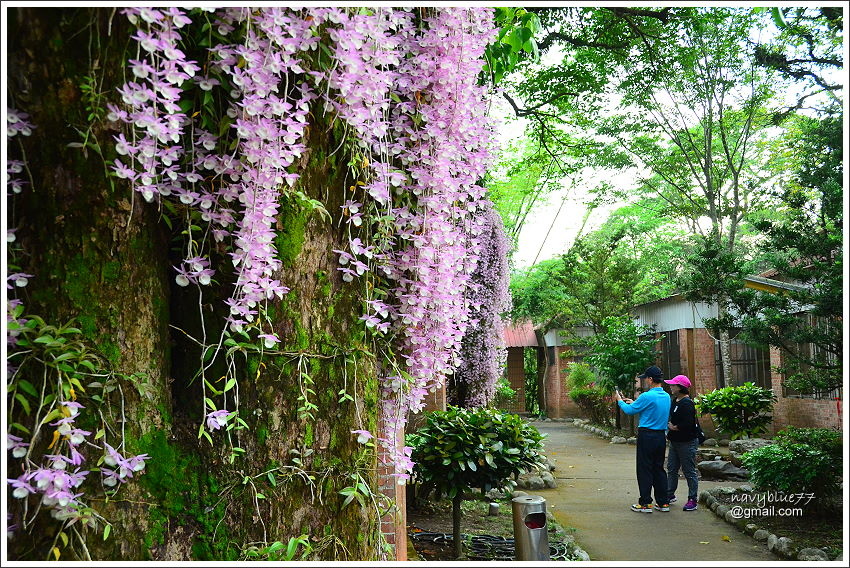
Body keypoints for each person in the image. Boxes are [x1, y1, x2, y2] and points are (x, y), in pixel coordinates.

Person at [615, 365, 671, 513]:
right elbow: (650, 409)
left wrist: (620, 400)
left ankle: (645, 503)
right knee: (659, 468)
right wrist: (634, 403)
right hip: (660, 436)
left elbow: (629, 411)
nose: (645, 380)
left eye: (646, 378)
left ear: (651, 379)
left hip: (647, 436)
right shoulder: (666, 396)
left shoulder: (647, 396)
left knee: (644, 468)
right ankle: (663, 502)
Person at [665, 374, 699, 511]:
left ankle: (692, 499)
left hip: (687, 442)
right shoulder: (675, 401)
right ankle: (669, 494)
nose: (671, 387)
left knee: (689, 471)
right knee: (672, 469)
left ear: (680, 387)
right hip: (675, 441)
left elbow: (689, 423)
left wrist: (675, 427)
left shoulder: (687, 403)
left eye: (673, 385)